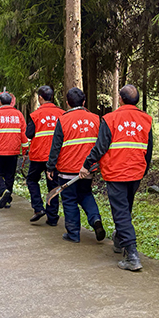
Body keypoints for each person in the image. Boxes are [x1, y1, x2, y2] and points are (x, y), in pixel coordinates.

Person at [80, 84, 152, 271]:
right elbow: (148, 149)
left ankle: (133, 255)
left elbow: (101, 146)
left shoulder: (111, 119)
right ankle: (120, 241)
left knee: (120, 212)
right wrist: (144, 170)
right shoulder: (146, 119)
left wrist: (86, 164)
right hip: (136, 171)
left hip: (116, 172)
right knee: (125, 208)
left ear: (120, 99)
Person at [47, 87, 106, 243]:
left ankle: (73, 234)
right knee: (86, 194)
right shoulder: (95, 119)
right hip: (88, 169)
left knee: (69, 199)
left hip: (67, 169)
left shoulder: (63, 120)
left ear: (67, 103)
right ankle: (95, 220)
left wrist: (50, 166)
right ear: (84, 102)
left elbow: (56, 146)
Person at [24, 85, 64, 224]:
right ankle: (52, 218)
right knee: (53, 185)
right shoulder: (62, 113)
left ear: (40, 98)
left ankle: (38, 208)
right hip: (56, 157)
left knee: (32, 180)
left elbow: (28, 133)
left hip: (38, 155)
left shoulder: (36, 115)